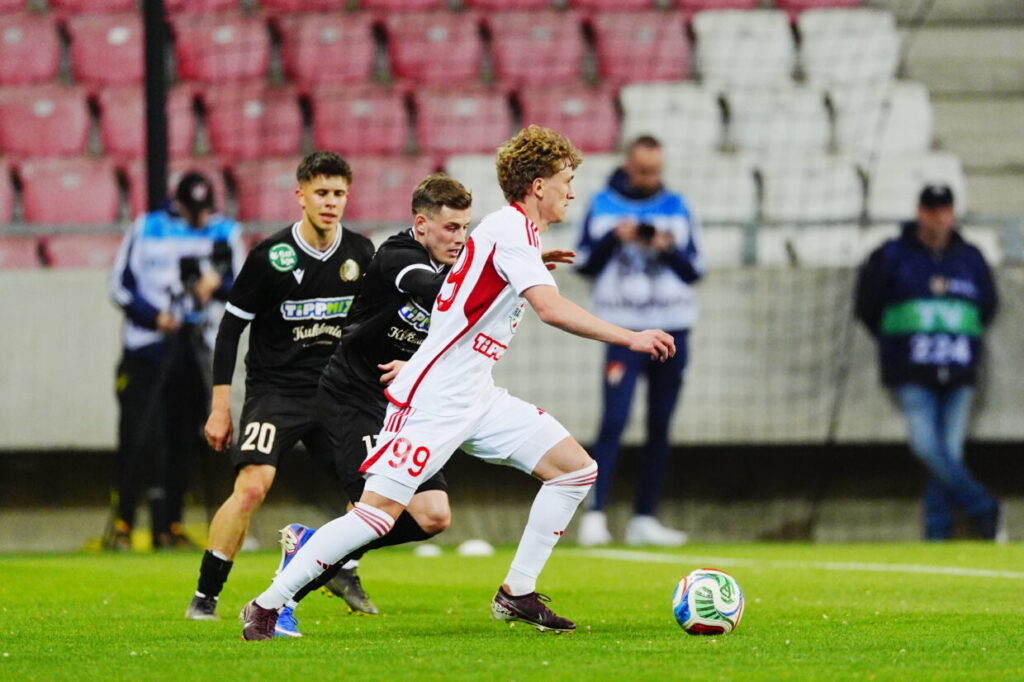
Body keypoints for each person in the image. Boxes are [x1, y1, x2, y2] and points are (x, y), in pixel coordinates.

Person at [239, 125, 675, 641]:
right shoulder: (509, 229)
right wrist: (631, 337)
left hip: (477, 395)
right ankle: (266, 605)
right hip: (436, 399)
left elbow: (463, 285)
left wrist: (531, 263)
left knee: (575, 471)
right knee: (376, 516)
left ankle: (516, 592)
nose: (572, 192)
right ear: (538, 186)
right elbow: (550, 309)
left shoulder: (509, 235)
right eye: (566, 180)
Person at [270, 173, 473, 637]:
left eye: (465, 228)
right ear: (421, 224)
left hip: (404, 405)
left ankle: (315, 547)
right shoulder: (397, 256)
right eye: (450, 228)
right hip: (355, 396)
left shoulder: (460, 262)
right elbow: (435, 292)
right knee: (375, 511)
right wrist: (500, 275)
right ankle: (281, 600)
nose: (459, 238)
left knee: (433, 516)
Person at [185, 151, 375, 620]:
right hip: (277, 391)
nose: (330, 202)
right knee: (253, 486)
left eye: (339, 193)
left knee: (373, 487)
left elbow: (371, 324)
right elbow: (230, 330)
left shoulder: (360, 253)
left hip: (335, 391)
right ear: (301, 196)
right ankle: (206, 595)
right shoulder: (271, 256)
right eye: (321, 193)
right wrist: (220, 407)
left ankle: (343, 568)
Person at [573, 135, 703, 547]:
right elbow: (584, 263)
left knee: (660, 425)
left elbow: (694, 270)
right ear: (628, 166)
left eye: (656, 171)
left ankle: (644, 517)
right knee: (614, 420)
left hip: (672, 329)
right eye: (643, 171)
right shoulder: (601, 204)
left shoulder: (678, 206)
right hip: (624, 331)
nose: (650, 178)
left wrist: (666, 247)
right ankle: (595, 514)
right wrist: (616, 237)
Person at [854, 183, 1001, 541]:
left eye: (944, 210)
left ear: (952, 213)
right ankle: (982, 506)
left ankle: (937, 532)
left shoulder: (970, 258)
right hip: (911, 369)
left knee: (948, 452)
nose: (938, 218)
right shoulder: (892, 256)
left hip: (958, 367)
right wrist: (898, 342)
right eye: (932, 210)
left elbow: (988, 306)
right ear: (920, 212)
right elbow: (867, 305)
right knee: (926, 446)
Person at [107, 171, 243, 551]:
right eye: (192, 209)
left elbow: (244, 287)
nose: (200, 217)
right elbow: (119, 285)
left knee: (185, 438)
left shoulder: (225, 232)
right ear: (178, 202)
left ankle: (171, 525)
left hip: (196, 347)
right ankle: (124, 522)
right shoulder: (146, 227)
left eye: (205, 209)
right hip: (147, 347)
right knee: (140, 435)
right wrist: (155, 317)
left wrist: (217, 287)